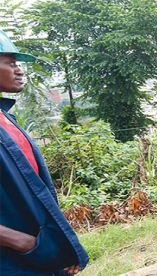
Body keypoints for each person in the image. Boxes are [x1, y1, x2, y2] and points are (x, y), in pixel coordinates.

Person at [0, 29, 88, 275]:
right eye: (11, 64)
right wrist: (26, 243)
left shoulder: (6, 118)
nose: (19, 70)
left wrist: (56, 247)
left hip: (40, 254)